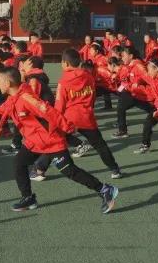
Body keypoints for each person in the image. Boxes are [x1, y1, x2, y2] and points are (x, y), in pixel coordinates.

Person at [0, 67, 119, 213]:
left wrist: (66, 126)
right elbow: (2, 110)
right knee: (19, 163)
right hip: (34, 142)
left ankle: (105, 189)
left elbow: (49, 111)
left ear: (8, 83)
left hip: (52, 141)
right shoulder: (13, 98)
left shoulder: (26, 98)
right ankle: (28, 198)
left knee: (70, 171)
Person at [33, 49, 123, 179]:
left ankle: (40, 170)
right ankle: (115, 170)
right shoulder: (89, 76)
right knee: (100, 145)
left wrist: (55, 122)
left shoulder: (63, 81)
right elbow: (92, 97)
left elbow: (59, 105)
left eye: (61, 62)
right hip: (87, 117)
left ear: (65, 63)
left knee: (54, 142)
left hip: (69, 118)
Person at [113, 46, 155, 139]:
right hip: (134, 94)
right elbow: (125, 80)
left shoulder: (139, 66)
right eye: (122, 55)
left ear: (131, 56)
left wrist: (139, 82)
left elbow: (150, 80)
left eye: (124, 55)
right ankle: (122, 130)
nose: (122, 57)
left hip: (142, 94)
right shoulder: (127, 66)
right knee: (121, 106)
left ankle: (122, 130)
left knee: (156, 112)